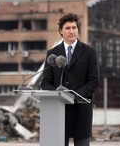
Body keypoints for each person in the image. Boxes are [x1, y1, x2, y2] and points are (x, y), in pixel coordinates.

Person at [40, 12, 100, 146]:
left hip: (81, 110)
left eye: (74, 27)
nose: (71, 31)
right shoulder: (52, 54)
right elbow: (45, 82)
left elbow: (94, 81)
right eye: (68, 28)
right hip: (59, 111)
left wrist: (74, 95)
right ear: (61, 31)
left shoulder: (89, 52)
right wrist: (59, 94)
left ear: (78, 30)